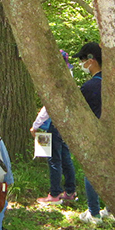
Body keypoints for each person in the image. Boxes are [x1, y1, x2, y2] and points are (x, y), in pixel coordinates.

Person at [72, 42, 111, 224]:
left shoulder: (89, 87)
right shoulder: (114, 83)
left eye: (83, 61)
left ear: (91, 61)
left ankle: (93, 213)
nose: (82, 65)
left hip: (96, 135)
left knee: (91, 172)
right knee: (112, 172)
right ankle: (111, 210)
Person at [32, 50, 77, 204]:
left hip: (55, 123)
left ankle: (55, 195)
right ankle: (70, 191)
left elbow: (49, 106)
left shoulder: (57, 80)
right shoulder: (69, 76)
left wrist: (36, 125)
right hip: (67, 122)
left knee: (54, 159)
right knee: (65, 156)